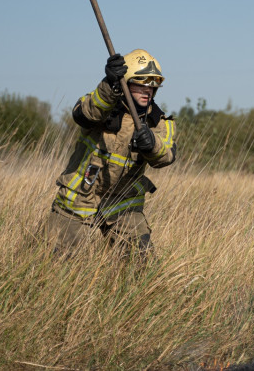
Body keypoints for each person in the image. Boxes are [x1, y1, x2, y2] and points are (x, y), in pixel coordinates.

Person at [46, 49, 177, 257]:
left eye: (153, 85)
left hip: (123, 203)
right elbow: (84, 113)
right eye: (141, 82)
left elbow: (166, 156)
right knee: (57, 263)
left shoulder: (158, 122)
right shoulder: (104, 105)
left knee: (141, 264)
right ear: (125, 82)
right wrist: (108, 84)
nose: (148, 90)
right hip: (78, 198)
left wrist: (152, 145)